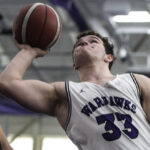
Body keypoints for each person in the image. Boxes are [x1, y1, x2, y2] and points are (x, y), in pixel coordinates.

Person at [0, 30, 149, 150]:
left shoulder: (136, 81)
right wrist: (29, 51)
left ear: (109, 57)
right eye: (78, 44)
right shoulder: (65, 93)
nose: (84, 43)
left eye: (93, 42)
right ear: (74, 65)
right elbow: (7, 83)